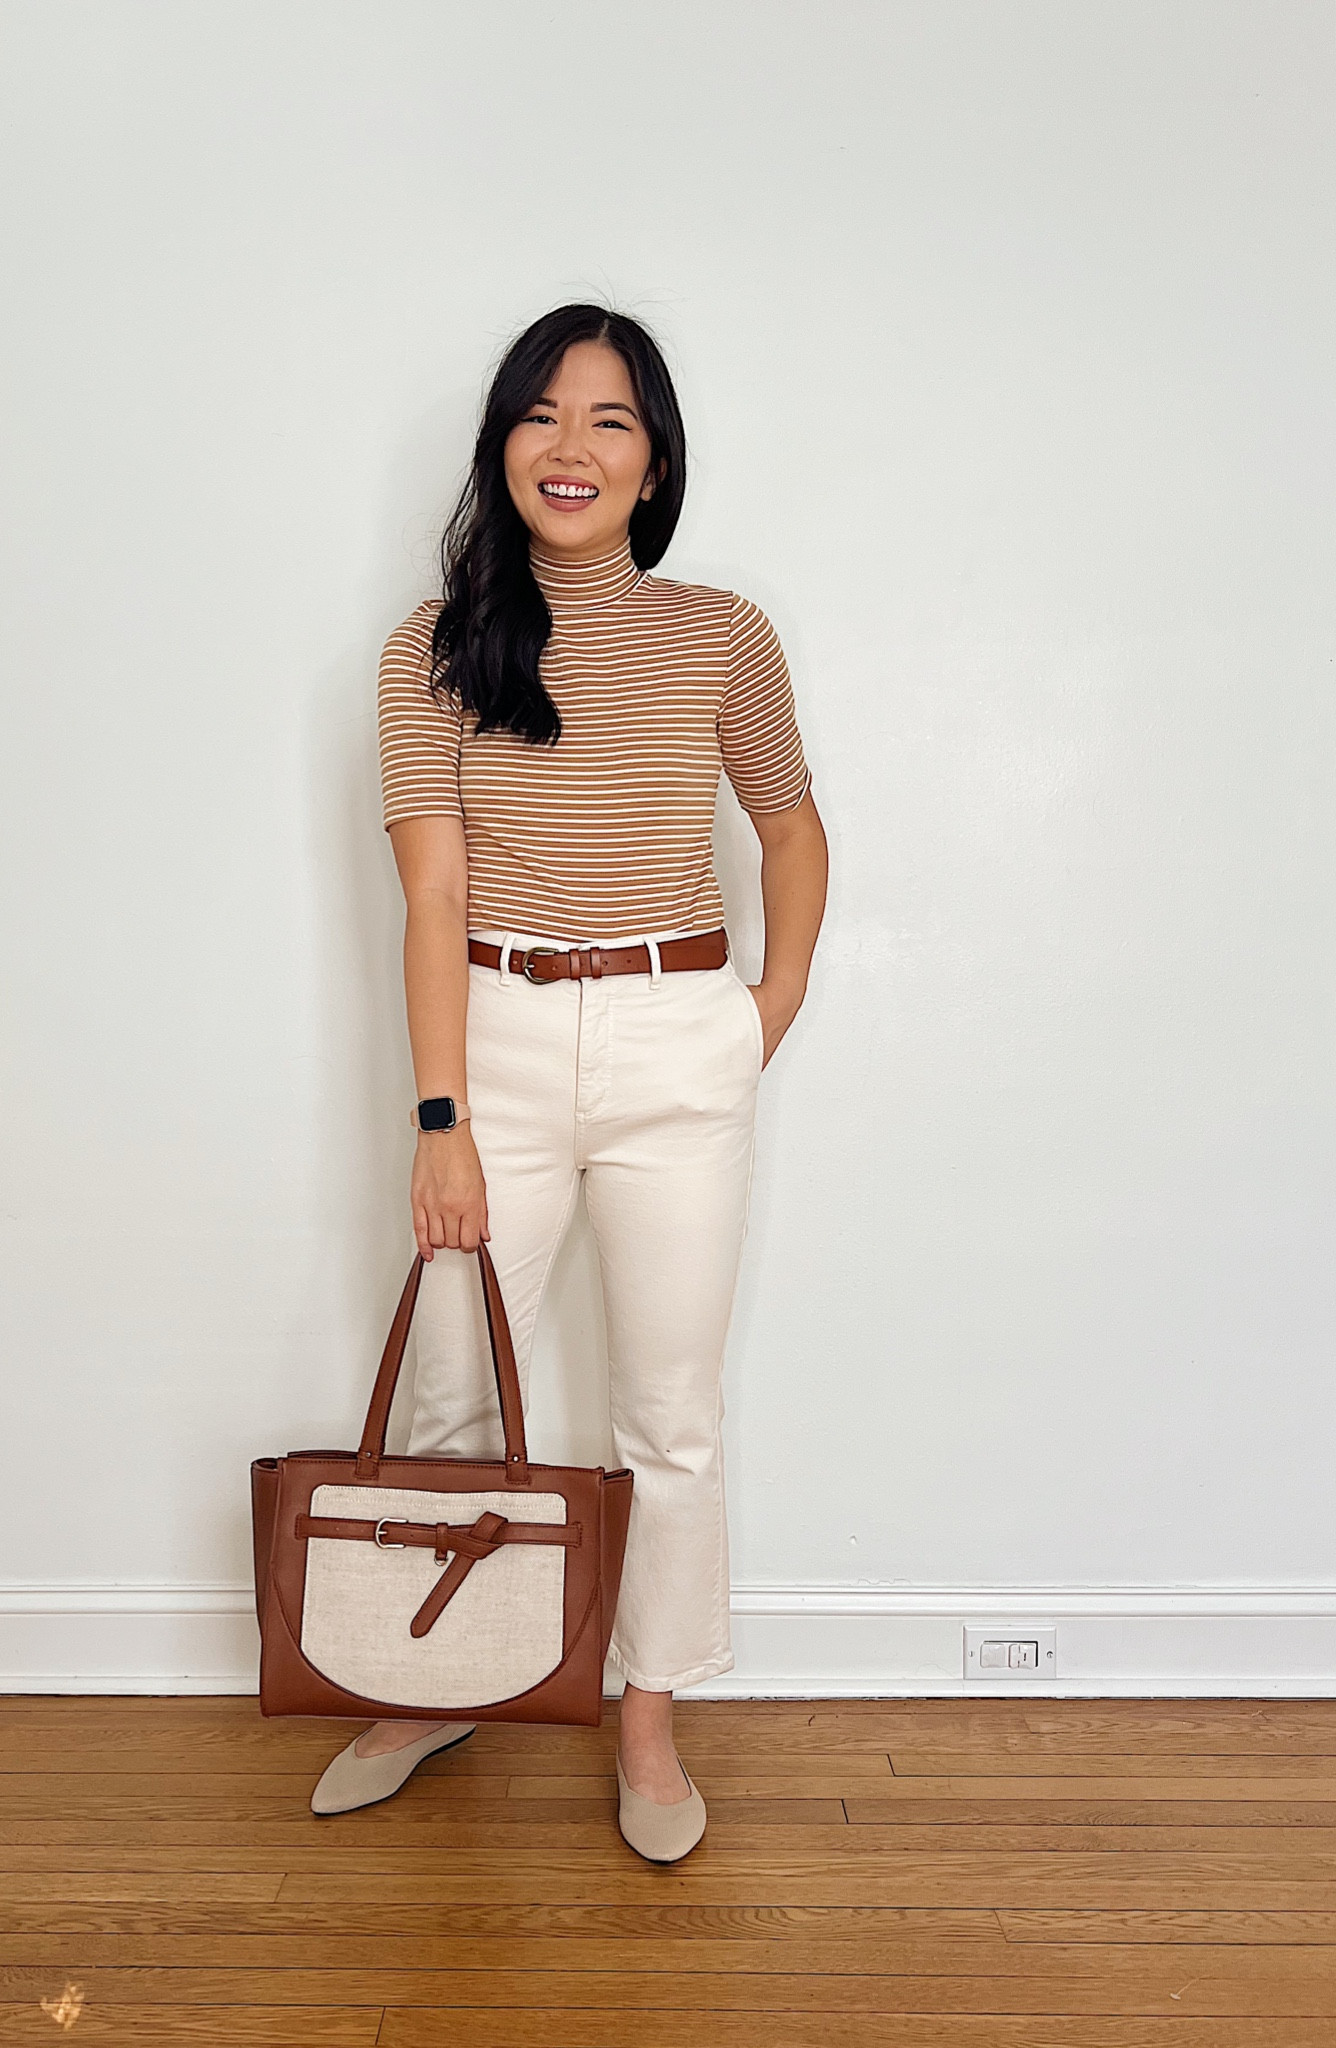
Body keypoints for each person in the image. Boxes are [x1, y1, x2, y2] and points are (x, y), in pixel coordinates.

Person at [312, 303, 828, 1861]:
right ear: (503, 448)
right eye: (542, 415)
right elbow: (433, 897)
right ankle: (438, 1680)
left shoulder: (721, 633)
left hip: (680, 1034)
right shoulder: (431, 649)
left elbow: (790, 824)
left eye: (610, 420)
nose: (573, 447)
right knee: (458, 1381)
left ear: (654, 462)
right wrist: (441, 1120)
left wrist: (768, 1005)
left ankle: (647, 1714)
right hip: (498, 1042)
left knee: (670, 1409)